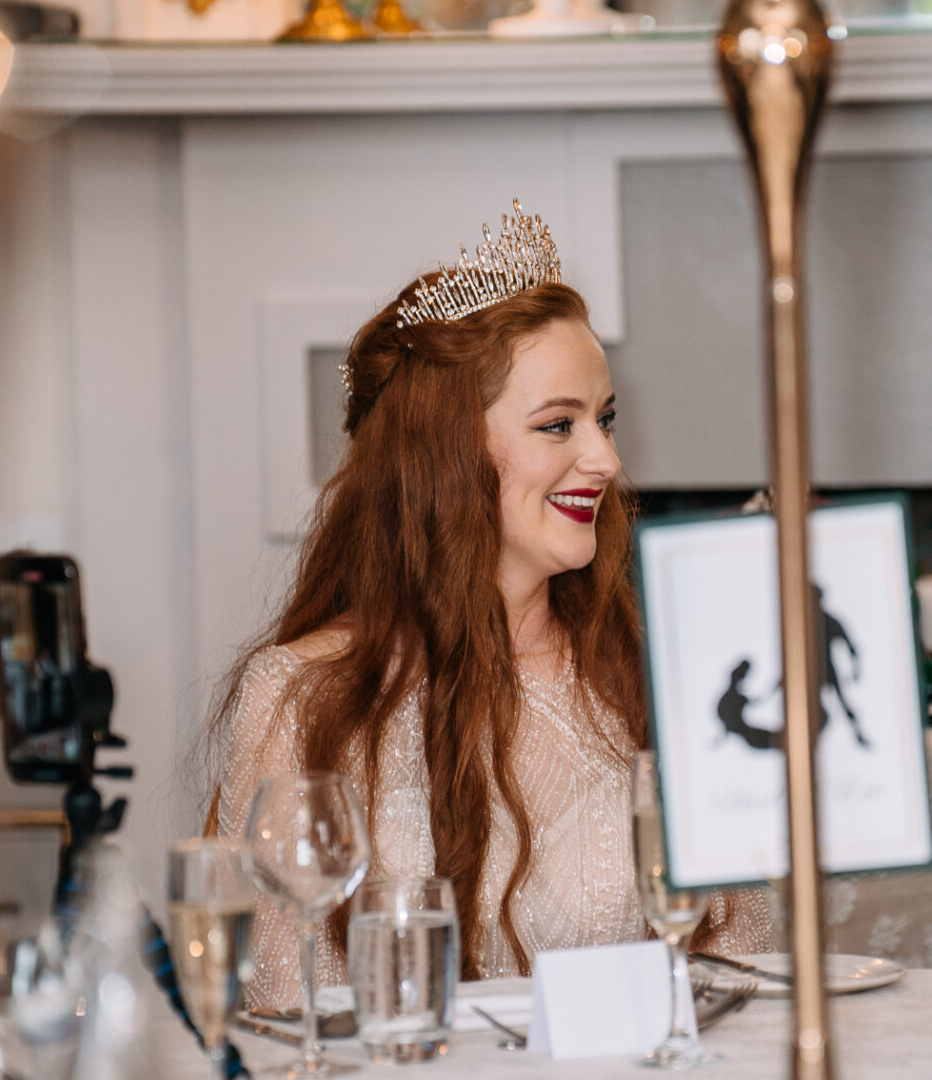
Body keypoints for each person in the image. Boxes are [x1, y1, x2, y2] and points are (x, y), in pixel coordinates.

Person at [211, 204, 770, 1006]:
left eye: (604, 419)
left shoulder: (645, 673)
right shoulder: (305, 697)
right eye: (558, 425)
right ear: (443, 458)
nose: (606, 459)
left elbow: (735, 963)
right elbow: (285, 1014)